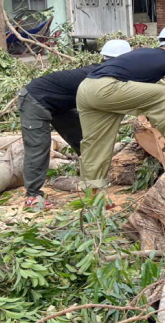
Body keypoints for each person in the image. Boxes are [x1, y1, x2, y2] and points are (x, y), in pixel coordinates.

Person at [76, 25, 165, 191]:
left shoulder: (143, 56)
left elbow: (146, 103)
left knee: (96, 144)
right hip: (106, 89)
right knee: (164, 93)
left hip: (86, 89)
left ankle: (91, 194)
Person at [18, 39, 132, 209]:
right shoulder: (102, 77)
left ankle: (92, 190)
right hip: (35, 100)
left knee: (85, 140)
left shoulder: (107, 75)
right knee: (38, 146)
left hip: (59, 105)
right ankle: (32, 196)